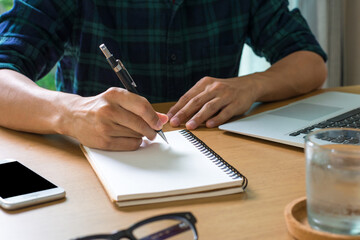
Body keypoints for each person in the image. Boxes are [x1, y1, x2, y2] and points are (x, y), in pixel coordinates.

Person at [0, 0, 327, 151]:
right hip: (100, 167)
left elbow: (311, 62)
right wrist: (69, 113)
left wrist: (253, 85)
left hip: (218, 163)